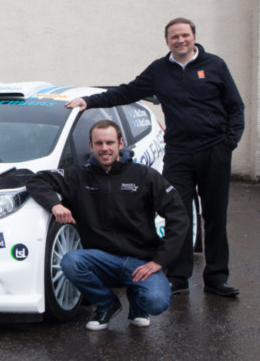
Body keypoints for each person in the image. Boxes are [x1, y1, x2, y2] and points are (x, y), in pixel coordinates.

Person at [65, 18, 244, 297]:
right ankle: (179, 277)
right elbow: (127, 91)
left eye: (185, 35)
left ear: (194, 37)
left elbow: (235, 106)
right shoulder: (159, 70)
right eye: (175, 37)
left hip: (214, 151)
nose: (180, 40)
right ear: (167, 41)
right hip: (179, 153)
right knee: (178, 214)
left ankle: (217, 278)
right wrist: (89, 101)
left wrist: (229, 143)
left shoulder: (215, 65)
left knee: (215, 215)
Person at [27, 120, 188, 330]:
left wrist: (160, 260)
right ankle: (106, 304)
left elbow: (179, 217)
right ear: (91, 145)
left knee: (157, 301)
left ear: (120, 144)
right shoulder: (78, 175)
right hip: (101, 260)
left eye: (110, 142)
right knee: (70, 262)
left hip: (140, 261)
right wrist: (54, 204)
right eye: (99, 143)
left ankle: (138, 302)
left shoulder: (145, 176)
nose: (104, 148)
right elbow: (36, 180)